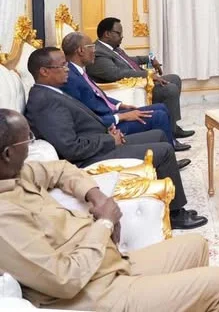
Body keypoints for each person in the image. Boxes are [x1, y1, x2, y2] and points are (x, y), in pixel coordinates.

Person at [0, 109, 219, 311]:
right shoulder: (5, 219)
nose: (31, 145)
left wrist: (97, 197)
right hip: (98, 294)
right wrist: (105, 223)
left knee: (196, 245)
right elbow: (65, 279)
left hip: (108, 265)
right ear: (8, 154)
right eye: (27, 140)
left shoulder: (15, 174)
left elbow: (60, 169)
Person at [23, 47, 205, 230]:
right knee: (164, 151)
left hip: (99, 141)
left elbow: (79, 125)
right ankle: (175, 215)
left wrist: (107, 130)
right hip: (89, 158)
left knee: (159, 135)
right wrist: (110, 140)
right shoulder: (45, 102)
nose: (67, 69)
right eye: (62, 65)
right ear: (44, 71)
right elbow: (71, 148)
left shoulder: (52, 92)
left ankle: (159, 192)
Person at [60, 32, 190, 152]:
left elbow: (98, 95)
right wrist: (122, 116)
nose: (94, 50)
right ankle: (167, 154)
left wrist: (120, 105)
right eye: (91, 47)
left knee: (161, 107)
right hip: (106, 126)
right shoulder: (71, 79)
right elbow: (86, 118)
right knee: (159, 116)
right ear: (81, 50)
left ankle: (171, 143)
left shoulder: (78, 71)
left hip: (111, 114)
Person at [86, 17, 193, 141]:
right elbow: (116, 73)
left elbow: (129, 61)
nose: (122, 36)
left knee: (175, 79)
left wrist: (149, 59)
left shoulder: (113, 48)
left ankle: (173, 125)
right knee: (170, 89)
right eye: (118, 33)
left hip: (139, 82)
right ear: (107, 34)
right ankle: (171, 133)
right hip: (130, 88)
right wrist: (147, 75)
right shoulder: (99, 53)